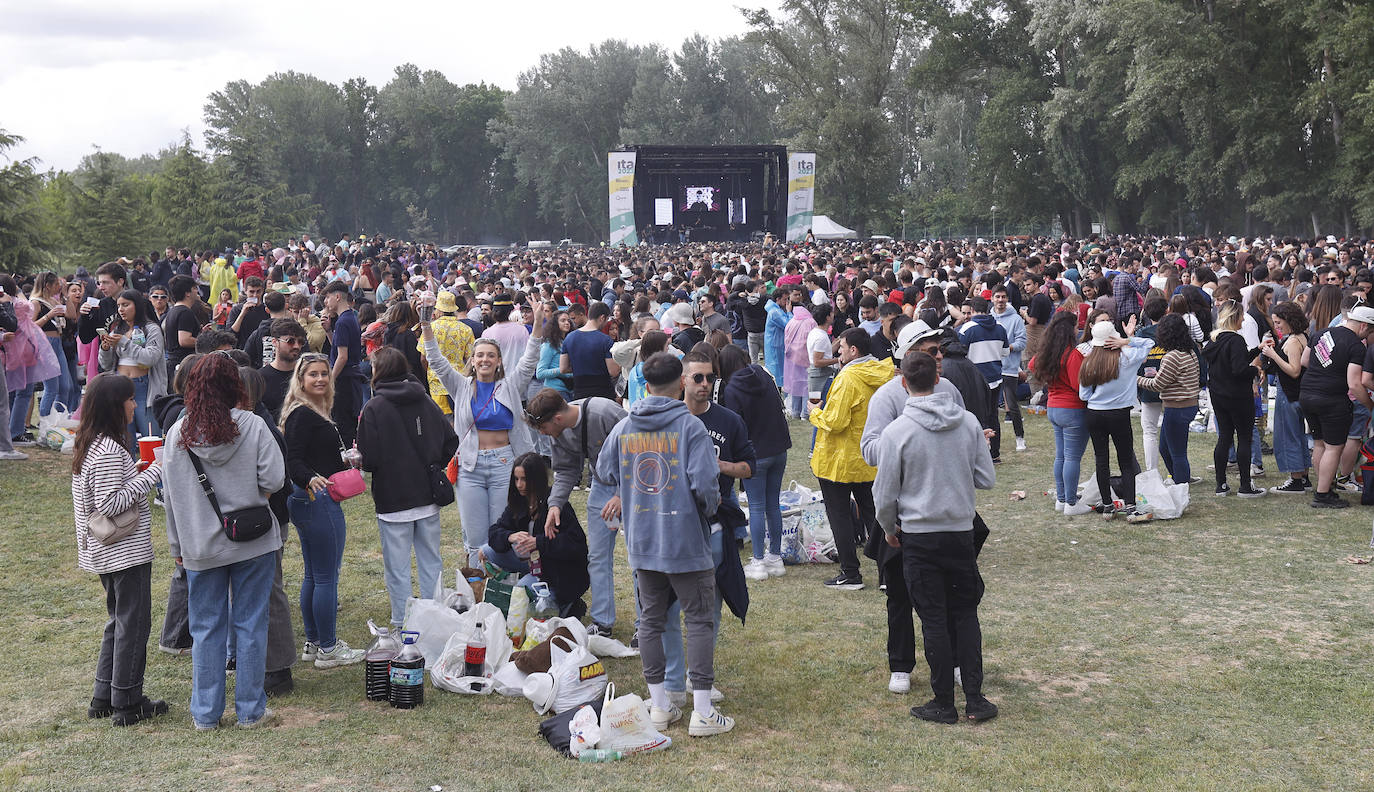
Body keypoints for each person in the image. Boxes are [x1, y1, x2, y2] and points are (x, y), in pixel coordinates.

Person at [595, 352, 734, 737]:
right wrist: (707, 509)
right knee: (700, 619)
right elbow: (705, 484)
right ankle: (702, 711)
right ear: (680, 384)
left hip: (642, 539)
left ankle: (659, 705)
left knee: (651, 621)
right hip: (684, 538)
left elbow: (604, 470)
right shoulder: (690, 427)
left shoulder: (625, 426)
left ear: (644, 382)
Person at [873, 351, 997, 724]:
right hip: (959, 532)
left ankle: (944, 701)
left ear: (904, 382)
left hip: (919, 535)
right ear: (938, 379)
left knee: (933, 619)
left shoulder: (897, 432)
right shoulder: (969, 423)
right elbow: (986, 478)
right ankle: (974, 698)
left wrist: (888, 527)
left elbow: (884, 495)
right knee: (965, 614)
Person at [162, 353, 284, 730]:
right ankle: (250, 711)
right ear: (236, 385)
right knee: (250, 624)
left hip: (199, 544)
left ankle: (205, 714)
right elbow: (275, 479)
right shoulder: (252, 425)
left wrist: (176, 547)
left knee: (206, 629)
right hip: (253, 541)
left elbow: (171, 498)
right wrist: (250, 495)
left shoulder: (176, 435)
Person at [71, 373, 168, 726]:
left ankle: (104, 695)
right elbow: (111, 503)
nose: (133, 405)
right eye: (129, 399)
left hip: (104, 553)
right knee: (134, 624)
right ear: (115, 405)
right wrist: (153, 472)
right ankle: (128, 699)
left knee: (118, 621)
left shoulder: (91, 443)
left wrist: (136, 474)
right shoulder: (111, 449)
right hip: (124, 552)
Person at [422, 301, 542, 567]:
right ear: (473, 361)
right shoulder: (462, 387)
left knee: (502, 532)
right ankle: (478, 595)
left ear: (499, 361)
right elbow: (437, 362)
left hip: (505, 464)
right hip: (470, 466)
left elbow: (530, 357)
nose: (485, 359)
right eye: (480, 355)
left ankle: (505, 591)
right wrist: (425, 325)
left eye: (490, 355)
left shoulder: (510, 385)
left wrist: (540, 322)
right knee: (475, 537)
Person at [357, 347, 459, 630]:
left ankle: (403, 622)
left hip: (393, 498)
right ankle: (435, 617)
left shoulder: (374, 408)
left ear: (379, 372)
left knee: (398, 567)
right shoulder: (425, 401)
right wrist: (432, 463)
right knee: (431, 560)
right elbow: (451, 440)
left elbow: (370, 459)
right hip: (427, 494)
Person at [279, 352, 365, 668]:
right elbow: (293, 460)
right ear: (300, 379)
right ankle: (328, 648)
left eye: (324, 374)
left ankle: (315, 643)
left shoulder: (312, 410)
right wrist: (310, 477)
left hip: (308, 498)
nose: (319, 379)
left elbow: (308, 454)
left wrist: (338, 462)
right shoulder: (303, 414)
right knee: (326, 576)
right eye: (312, 374)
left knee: (315, 574)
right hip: (315, 498)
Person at [524, 386, 628, 635]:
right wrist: (554, 505)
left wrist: (621, 494)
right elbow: (567, 470)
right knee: (598, 557)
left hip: (633, 486)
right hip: (601, 488)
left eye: (543, 429)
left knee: (638, 561)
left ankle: (644, 626)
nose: (543, 434)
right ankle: (603, 622)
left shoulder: (605, 413)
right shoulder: (558, 432)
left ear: (557, 418)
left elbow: (639, 456)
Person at [809, 327, 892, 590]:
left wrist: (814, 412)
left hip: (840, 461)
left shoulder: (849, 378)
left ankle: (850, 572)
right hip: (869, 458)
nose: (838, 352)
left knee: (840, 516)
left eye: (841, 347)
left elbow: (835, 421)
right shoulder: (882, 373)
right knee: (875, 515)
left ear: (853, 350)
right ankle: (887, 573)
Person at [484, 452, 590, 619]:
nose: (519, 485)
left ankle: (566, 604)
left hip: (558, 574)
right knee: (487, 550)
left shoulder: (556, 506)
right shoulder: (519, 503)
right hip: (532, 563)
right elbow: (494, 532)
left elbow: (576, 546)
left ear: (536, 479)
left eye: (524, 479)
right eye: (516, 479)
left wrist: (538, 542)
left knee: (523, 591)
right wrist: (510, 536)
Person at [718, 343, 791, 580]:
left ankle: (758, 561)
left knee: (757, 506)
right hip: (779, 448)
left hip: (756, 454)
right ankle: (775, 557)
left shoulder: (731, 390)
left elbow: (736, 426)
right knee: (772, 504)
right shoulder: (763, 374)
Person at [1077, 318, 1156, 521]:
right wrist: (1126, 340)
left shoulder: (1089, 361)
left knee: (1101, 459)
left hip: (1094, 413)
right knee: (1126, 460)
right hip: (1119, 413)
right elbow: (1149, 343)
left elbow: (1083, 395)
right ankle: (1130, 506)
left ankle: (1108, 505)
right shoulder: (1128, 358)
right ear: (1114, 338)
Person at [1298, 305, 1374, 508]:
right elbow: (1354, 384)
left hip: (1307, 393)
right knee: (1334, 447)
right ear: (1363, 326)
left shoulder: (1320, 333)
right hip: (1332, 399)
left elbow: (1304, 360)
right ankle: (1323, 495)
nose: (1370, 335)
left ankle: (1323, 487)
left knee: (1319, 443)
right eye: (1371, 330)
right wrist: (1370, 405)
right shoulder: (1356, 346)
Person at [1201, 300, 1265, 498]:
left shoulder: (1214, 340)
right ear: (1234, 317)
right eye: (1242, 315)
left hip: (1219, 395)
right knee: (1244, 438)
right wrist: (1255, 369)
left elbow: (1233, 360)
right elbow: (1238, 368)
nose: (1244, 319)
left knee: (1225, 437)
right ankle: (1245, 485)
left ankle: (1221, 484)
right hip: (1238, 396)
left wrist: (1257, 350)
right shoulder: (1235, 340)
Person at [1031, 313, 1092, 515]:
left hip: (1054, 407)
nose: (1078, 330)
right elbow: (1079, 387)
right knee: (1072, 457)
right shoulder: (1071, 354)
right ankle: (1071, 503)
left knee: (1062, 456)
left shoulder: (1047, 352)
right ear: (1069, 330)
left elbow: (1032, 365)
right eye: (1076, 327)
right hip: (1073, 409)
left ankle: (1062, 498)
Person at [1136, 314, 1201, 486]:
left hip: (1177, 408)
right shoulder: (1189, 351)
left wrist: (1135, 379)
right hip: (1185, 405)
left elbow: (1158, 385)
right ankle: (1179, 479)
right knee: (1166, 448)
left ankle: (1181, 486)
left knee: (1177, 453)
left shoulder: (1172, 356)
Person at [98, 290, 166, 444]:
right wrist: (105, 348)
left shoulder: (151, 329)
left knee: (150, 437)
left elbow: (150, 358)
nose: (121, 309)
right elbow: (106, 364)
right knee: (124, 439)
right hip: (119, 387)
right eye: (119, 306)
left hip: (144, 388)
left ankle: (153, 468)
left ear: (138, 306)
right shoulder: (117, 330)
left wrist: (124, 342)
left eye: (126, 305)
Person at [1262, 301, 1311, 493]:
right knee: (1298, 435)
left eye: (1279, 323)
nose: (1276, 327)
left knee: (1288, 436)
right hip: (1298, 394)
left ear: (1289, 320)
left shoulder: (1292, 341)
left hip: (1289, 394)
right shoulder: (1300, 337)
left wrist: (1273, 354)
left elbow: (1294, 371)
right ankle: (1304, 477)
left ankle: (1295, 479)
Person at [957, 296, 1010, 460]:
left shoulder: (967, 329)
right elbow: (1005, 352)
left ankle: (980, 454)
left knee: (976, 416)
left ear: (972, 310)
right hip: (995, 377)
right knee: (993, 416)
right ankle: (994, 454)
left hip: (975, 379)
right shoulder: (1000, 328)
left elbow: (959, 354)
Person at [321, 281, 365, 447]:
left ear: (337, 297)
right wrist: (328, 332)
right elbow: (339, 350)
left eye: (328, 297)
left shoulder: (342, 322)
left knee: (344, 427)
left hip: (344, 382)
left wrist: (329, 380)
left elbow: (342, 357)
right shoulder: (350, 317)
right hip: (351, 379)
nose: (326, 302)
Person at [422, 289, 475, 415]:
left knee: (442, 421)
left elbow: (423, 358)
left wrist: (429, 371)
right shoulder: (466, 329)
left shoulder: (430, 329)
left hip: (436, 381)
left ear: (439, 310)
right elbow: (470, 359)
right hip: (459, 380)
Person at [990, 285, 1028, 451]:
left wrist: (1007, 348)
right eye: (997, 297)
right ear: (992, 299)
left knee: (1012, 405)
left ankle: (1020, 437)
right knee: (989, 407)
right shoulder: (988, 318)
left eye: (1003, 297)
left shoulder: (1016, 319)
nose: (1000, 300)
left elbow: (1022, 342)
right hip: (990, 368)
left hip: (1009, 368)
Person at [560, 301, 620, 400]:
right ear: (602, 318)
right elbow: (613, 371)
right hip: (603, 393)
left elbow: (563, 368)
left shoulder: (569, 338)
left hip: (579, 392)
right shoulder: (605, 340)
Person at [259, 319, 305, 423]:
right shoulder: (260, 378)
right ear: (275, 342)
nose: (296, 346)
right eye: (290, 341)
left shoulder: (306, 375)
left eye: (300, 342)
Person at [163, 275, 204, 384]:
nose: (197, 291)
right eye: (195, 288)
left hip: (175, 363)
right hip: (183, 365)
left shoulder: (174, 310)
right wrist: (204, 341)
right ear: (187, 293)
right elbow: (184, 340)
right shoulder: (185, 312)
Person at [537, 309, 575, 399]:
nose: (567, 323)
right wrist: (562, 369)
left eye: (568, 320)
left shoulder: (569, 341)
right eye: (563, 320)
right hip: (556, 391)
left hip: (572, 389)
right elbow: (540, 373)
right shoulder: (548, 345)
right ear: (555, 324)